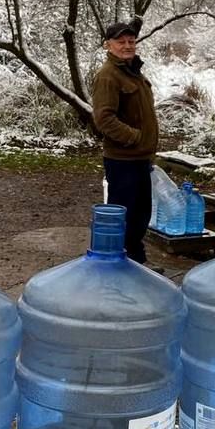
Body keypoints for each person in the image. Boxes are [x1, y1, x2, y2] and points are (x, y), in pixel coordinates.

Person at [91, 19, 158, 265]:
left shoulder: (133, 72)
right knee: (124, 218)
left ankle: (137, 266)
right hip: (123, 160)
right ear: (108, 45)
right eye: (121, 42)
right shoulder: (108, 76)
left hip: (140, 159)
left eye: (131, 41)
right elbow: (104, 119)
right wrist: (135, 138)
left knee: (140, 217)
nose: (127, 46)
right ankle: (115, 269)